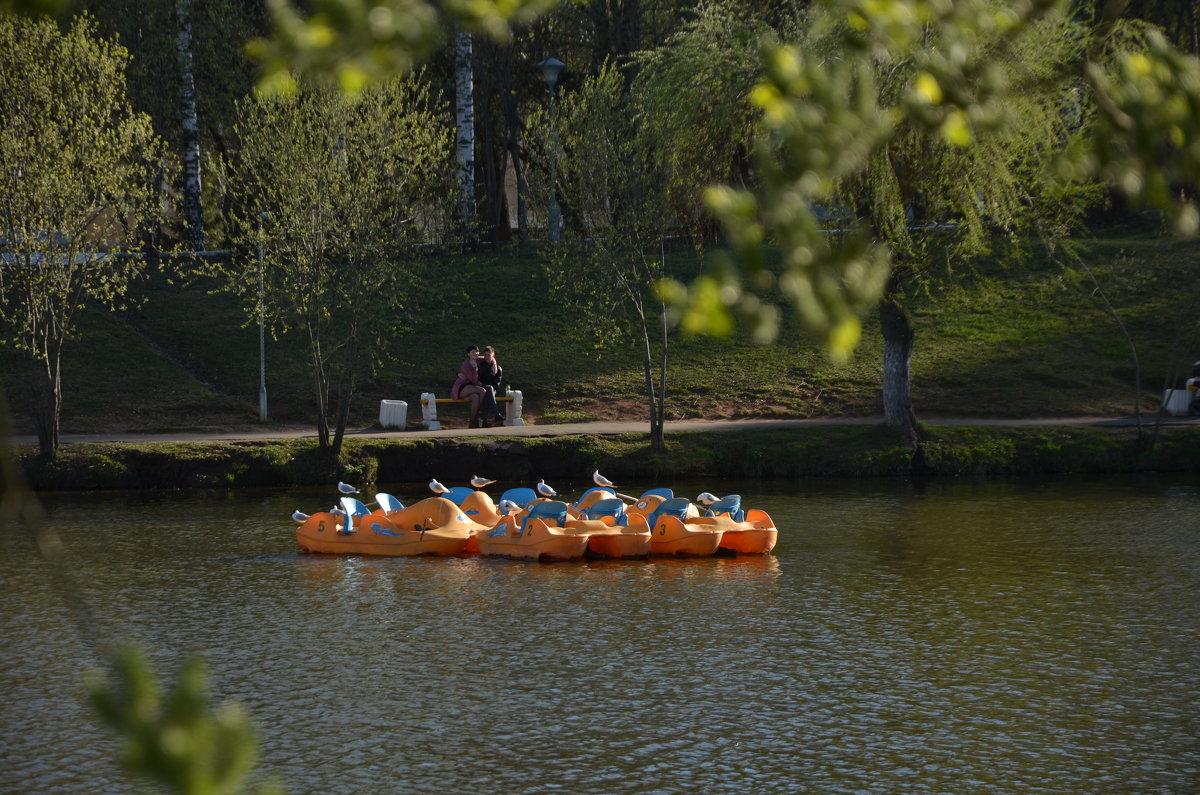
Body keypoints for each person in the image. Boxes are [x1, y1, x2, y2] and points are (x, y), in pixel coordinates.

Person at [450, 345, 500, 428]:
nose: (475, 353)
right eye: (473, 352)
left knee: (476, 397)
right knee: (482, 391)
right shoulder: (466, 364)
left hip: (471, 388)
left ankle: (473, 423)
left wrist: (494, 364)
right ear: (468, 354)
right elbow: (474, 381)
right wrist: (474, 368)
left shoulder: (477, 359)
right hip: (461, 387)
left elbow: (489, 357)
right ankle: (479, 414)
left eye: (477, 351)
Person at [477, 345, 505, 423]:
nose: (486, 356)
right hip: (481, 387)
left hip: (492, 389)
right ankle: (496, 414)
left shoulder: (498, 369)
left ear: (493, 355)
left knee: (489, 391)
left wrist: (491, 388)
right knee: (488, 390)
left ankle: (484, 420)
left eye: (488, 354)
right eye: (485, 355)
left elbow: (497, 384)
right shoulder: (480, 365)